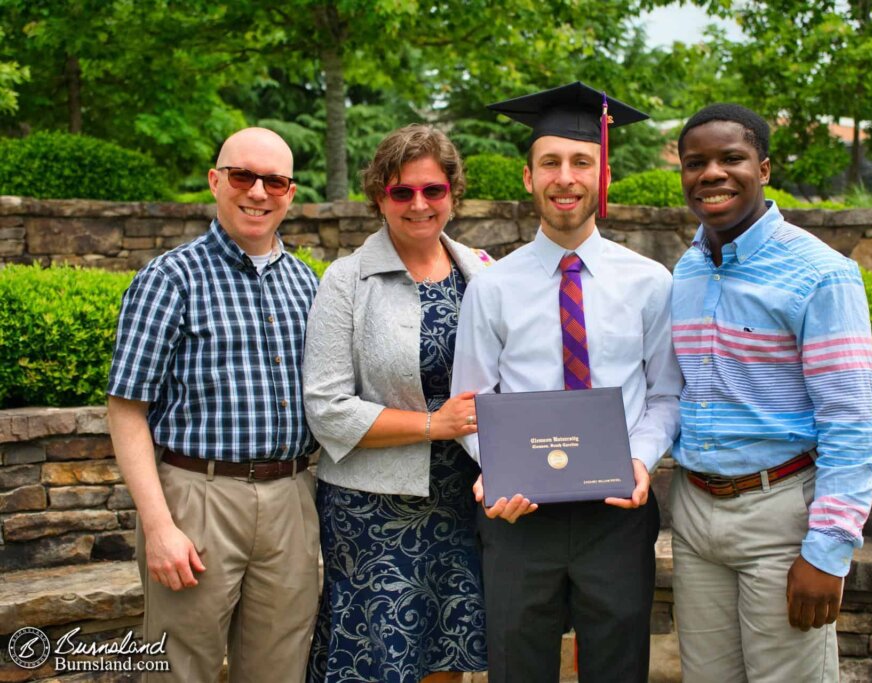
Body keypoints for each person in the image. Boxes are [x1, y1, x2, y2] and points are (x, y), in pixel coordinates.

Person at [450, 82, 682, 683]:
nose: (566, 177)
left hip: (616, 511)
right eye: (550, 162)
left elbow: (664, 396)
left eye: (582, 162)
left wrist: (639, 459)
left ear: (604, 174)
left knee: (617, 669)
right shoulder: (491, 288)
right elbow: (471, 404)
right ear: (528, 177)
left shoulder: (650, 282)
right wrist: (500, 468)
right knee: (518, 668)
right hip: (519, 517)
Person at [669, 103, 872, 682]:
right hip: (694, 514)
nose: (711, 173)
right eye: (696, 163)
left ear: (763, 168)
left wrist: (828, 549)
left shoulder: (820, 273)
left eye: (730, 158)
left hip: (780, 516)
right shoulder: (686, 272)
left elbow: (852, 422)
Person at [107, 127, 320, 683]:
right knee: (179, 670)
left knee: (281, 670)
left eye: (274, 180)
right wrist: (158, 527)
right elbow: (127, 410)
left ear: (290, 193)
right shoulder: (168, 279)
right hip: (196, 500)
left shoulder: (306, 284)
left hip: (291, 498)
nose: (258, 192)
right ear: (216, 180)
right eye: (243, 176)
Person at [302, 124, 491, 683]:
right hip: (372, 510)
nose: (418, 204)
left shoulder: (482, 274)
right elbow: (327, 407)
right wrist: (434, 425)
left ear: (453, 195)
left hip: (462, 500)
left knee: (446, 652)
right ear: (379, 197)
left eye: (433, 190)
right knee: (378, 662)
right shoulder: (346, 282)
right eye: (401, 191)